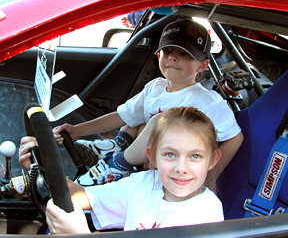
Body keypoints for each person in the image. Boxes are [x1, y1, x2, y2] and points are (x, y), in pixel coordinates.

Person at [52, 18, 243, 186]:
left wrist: (210, 175)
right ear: (159, 55)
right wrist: (78, 130)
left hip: (170, 164)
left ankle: (118, 165)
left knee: (161, 120)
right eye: (167, 51)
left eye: (184, 54)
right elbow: (122, 115)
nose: (173, 57)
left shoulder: (207, 101)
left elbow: (235, 138)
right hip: (147, 152)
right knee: (137, 116)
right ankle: (114, 147)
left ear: (202, 65)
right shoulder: (156, 87)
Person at [22, 107, 224, 234]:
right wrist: (41, 168)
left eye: (195, 156)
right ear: (152, 156)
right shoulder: (145, 183)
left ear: (212, 160)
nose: (181, 168)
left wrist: (81, 234)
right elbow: (85, 197)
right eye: (170, 155)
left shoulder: (205, 213)